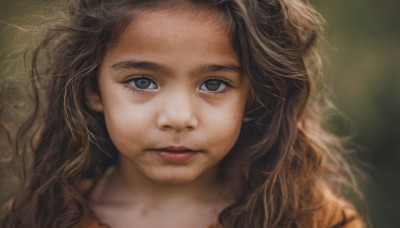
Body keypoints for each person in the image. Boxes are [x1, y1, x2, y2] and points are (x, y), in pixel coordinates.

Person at [0, 0, 366, 227]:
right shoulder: (42, 216)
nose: (177, 117)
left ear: (254, 96)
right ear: (92, 89)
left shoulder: (310, 218)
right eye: (142, 81)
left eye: (213, 84)